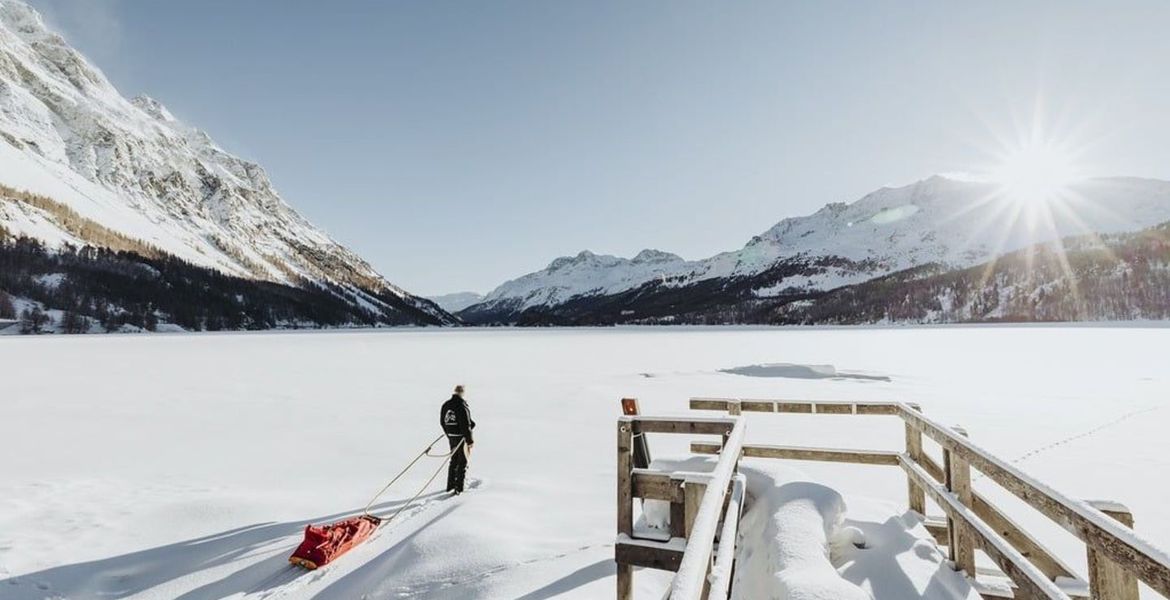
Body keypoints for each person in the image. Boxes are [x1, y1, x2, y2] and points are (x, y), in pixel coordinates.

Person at [440, 384, 475, 494]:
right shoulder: (461, 405)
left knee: (453, 460)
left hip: (451, 436)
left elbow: (442, 421)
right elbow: (465, 425)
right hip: (461, 437)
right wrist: (469, 440)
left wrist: (448, 434)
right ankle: (459, 488)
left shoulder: (446, 404)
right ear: (463, 393)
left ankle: (450, 486)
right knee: (462, 461)